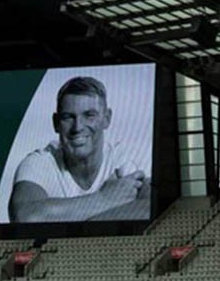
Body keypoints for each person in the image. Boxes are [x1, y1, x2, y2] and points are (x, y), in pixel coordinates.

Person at [9, 76, 149, 222]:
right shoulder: (39, 162)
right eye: (68, 117)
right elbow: (25, 217)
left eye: (89, 115)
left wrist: (81, 221)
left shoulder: (126, 156)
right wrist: (105, 199)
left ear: (106, 118)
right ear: (56, 123)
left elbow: (153, 210)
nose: (78, 127)